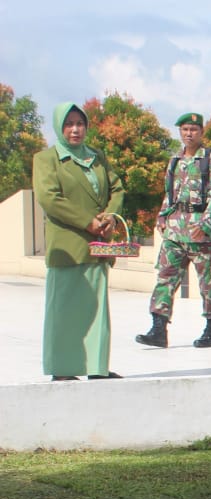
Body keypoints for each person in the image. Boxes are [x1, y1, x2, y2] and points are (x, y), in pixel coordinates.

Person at [32, 102, 124, 381]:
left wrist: (110, 217)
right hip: (68, 247)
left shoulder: (96, 156)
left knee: (96, 309)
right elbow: (50, 198)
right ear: (60, 127)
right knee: (64, 310)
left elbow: (117, 187)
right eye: (69, 124)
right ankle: (63, 369)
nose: (75, 129)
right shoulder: (46, 159)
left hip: (98, 246)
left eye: (80, 123)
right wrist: (88, 222)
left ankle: (96, 368)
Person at [136, 112, 211, 349]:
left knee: (207, 282)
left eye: (193, 129)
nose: (189, 134)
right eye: (185, 129)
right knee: (165, 277)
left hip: (199, 230)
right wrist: (162, 215)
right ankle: (158, 328)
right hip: (175, 230)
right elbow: (170, 193)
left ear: (201, 132)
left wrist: (205, 225)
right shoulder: (174, 160)